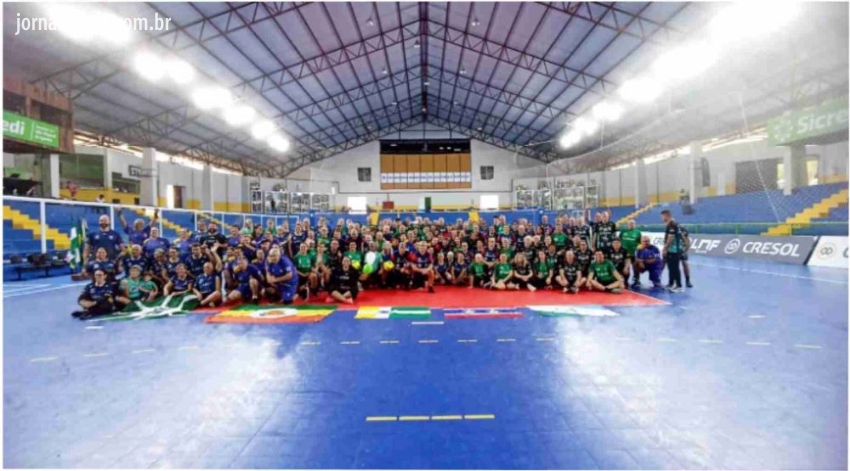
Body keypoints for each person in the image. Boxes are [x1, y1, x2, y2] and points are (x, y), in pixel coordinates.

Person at [661, 209, 684, 293]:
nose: (662, 218)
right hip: (671, 250)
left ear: (666, 216)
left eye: (662, 216)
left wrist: (665, 248)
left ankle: (679, 286)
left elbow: (671, 238)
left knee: (675, 268)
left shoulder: (672, 224)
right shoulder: (670, 224)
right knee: (670, 267)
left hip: (674, 250)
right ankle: (671, 283)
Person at [618, 219, 641, 285]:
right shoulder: (623, 231)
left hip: (633, 253)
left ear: (635, 225)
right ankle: (626, 280)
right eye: (630, 223)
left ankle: (637, 279)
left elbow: (640, 243)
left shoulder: (638, 232)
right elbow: (619, 240)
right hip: (624, 253)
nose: (631, 225)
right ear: (627, 224)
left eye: (633, 223)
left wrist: (638, 249)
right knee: (626, 267)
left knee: (635, 266)